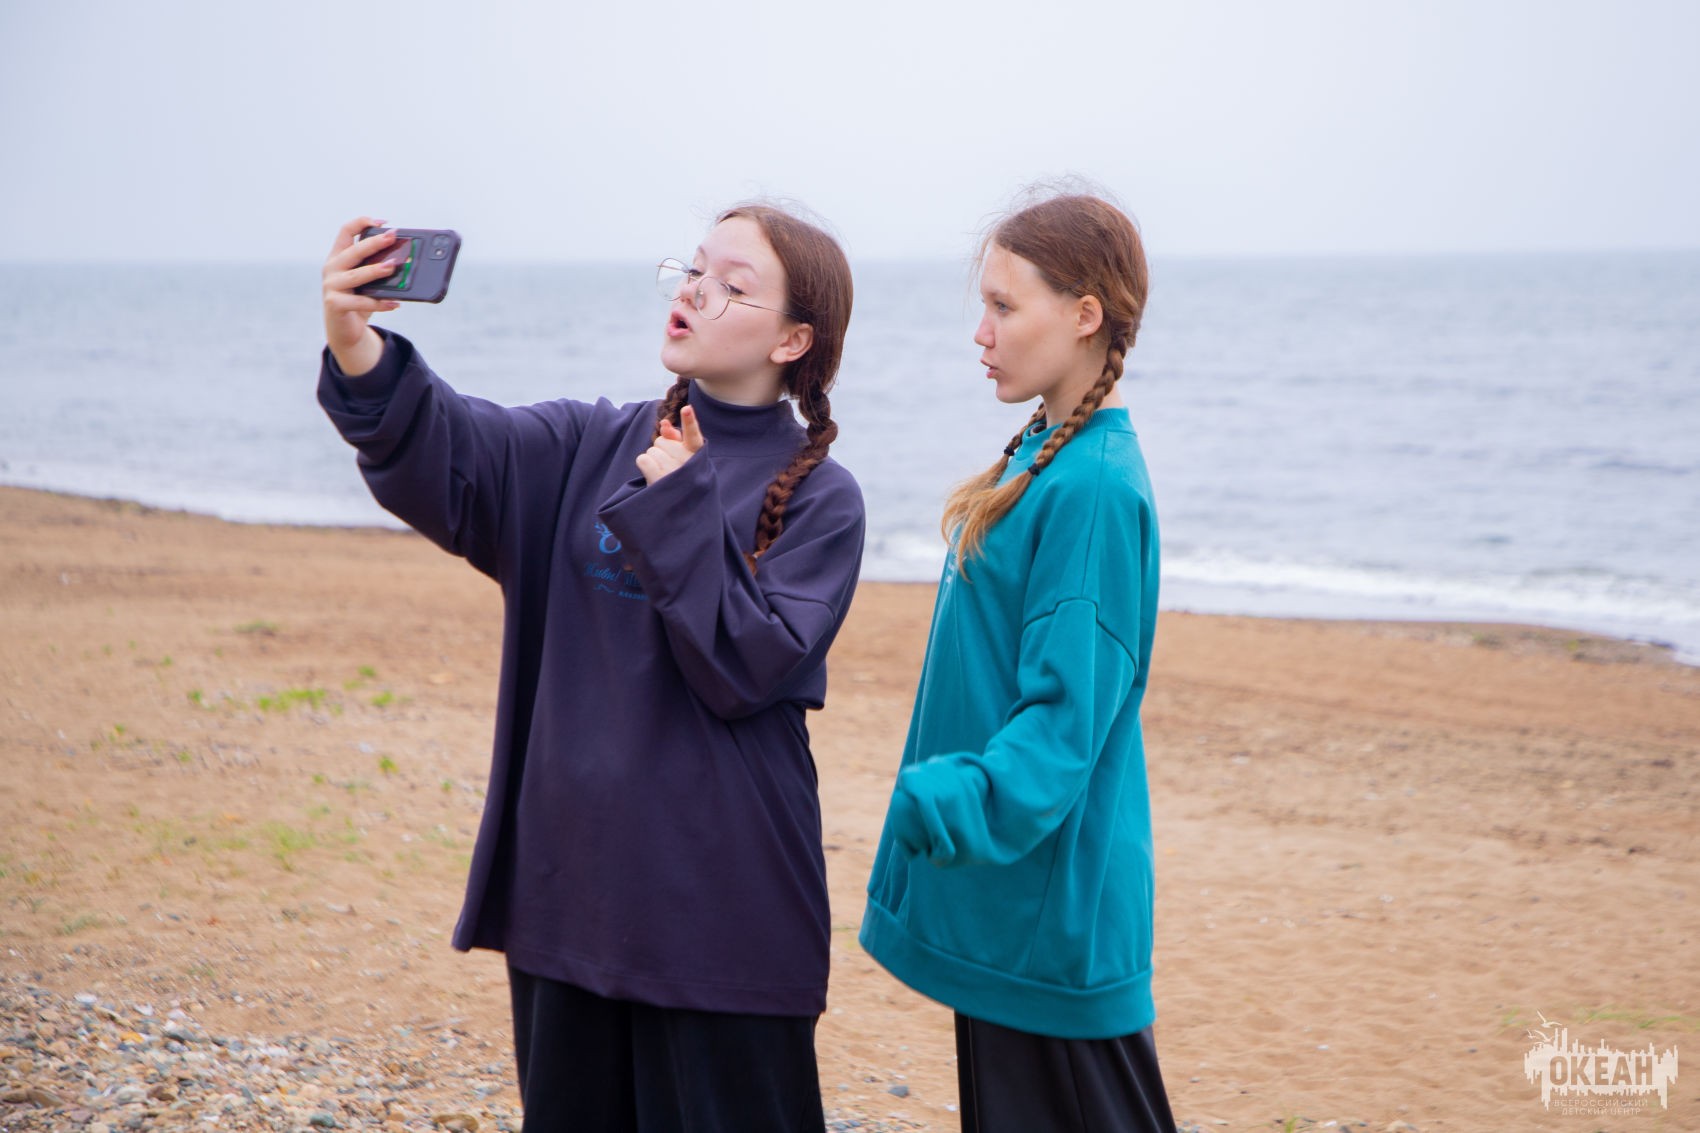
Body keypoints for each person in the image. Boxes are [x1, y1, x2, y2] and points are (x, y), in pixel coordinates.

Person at [316, 203, 864, 1132]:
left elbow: (744, 667)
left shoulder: (823, 500)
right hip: (571, 895)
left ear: (792, 340)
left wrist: (680, 502)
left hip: (724, 916)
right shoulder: (586, 444)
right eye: (695, 269)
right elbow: (450, 447)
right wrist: (355, 344)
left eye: (732, 284)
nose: (696, 290)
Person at [859, 190, 1175, 1132]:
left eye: (1004, 305)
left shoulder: (1094, 489)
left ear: (1085, 315)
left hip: (1051, 918)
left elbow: (1065, 721)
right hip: (1006, 896)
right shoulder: (1043, 452)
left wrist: (953, 799)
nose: (982, 332)